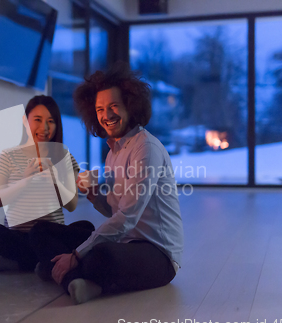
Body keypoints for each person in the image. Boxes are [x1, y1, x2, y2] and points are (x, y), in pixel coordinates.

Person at [29, 64, 184, 304]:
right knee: (41, 230)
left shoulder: (146, 148)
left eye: (113, 106)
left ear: (130, 106)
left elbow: (128, 217)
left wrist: (77, 255)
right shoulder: (113, 151)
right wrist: (93, 195)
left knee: (99, 254)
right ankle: (76, 280)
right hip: (123, 241)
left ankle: (60, 271)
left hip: (156, 254)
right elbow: (115, 210)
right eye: (100, 109)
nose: (106, 115)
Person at [0, 95, 94, 272]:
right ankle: (45, 261)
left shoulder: (64, 157)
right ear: (25, 121)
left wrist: (54, 179)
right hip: (19, 236)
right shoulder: (7, 156)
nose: (45, 127)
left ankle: (22, 262)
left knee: (87, 228)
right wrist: (25, 180)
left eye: (51, 121)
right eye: (38, 120)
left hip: (48, 234)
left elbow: (72, 205)